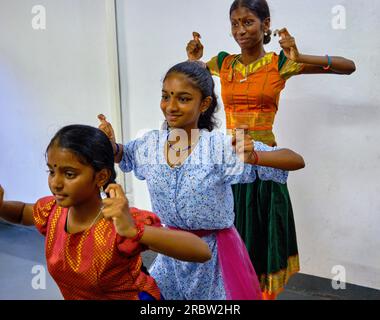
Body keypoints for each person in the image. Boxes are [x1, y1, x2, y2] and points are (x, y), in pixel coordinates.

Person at [185, 0, 356, 300]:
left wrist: (300, 55)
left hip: (265, 162)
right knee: (230, 237)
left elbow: (347, 66)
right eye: (235, 23)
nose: (240, 30)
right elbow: (189, 78)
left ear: (265, 25)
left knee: (261, 240)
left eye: (248, 22)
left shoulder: (280, 64)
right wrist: (192, 59)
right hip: (230, 162)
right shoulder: (224, 63)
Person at [98, 60, 305, 300]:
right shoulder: (150, 145)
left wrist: (255, 157)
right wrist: (110, 145)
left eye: (183, 99)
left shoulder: (219, 147)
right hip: (171, 254)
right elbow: (123, 154)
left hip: (215, 259)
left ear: (204, 104)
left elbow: (295, 160)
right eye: (166, 96)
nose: (170, 106)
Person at [0, 124, 212, 300]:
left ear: (101, 177)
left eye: (69, 174)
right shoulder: (52, 213)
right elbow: (21, 213)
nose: (56, 183)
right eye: (52, 171)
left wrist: (134, 230)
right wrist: (1, 207)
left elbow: (201, 251)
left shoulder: (117, 223)